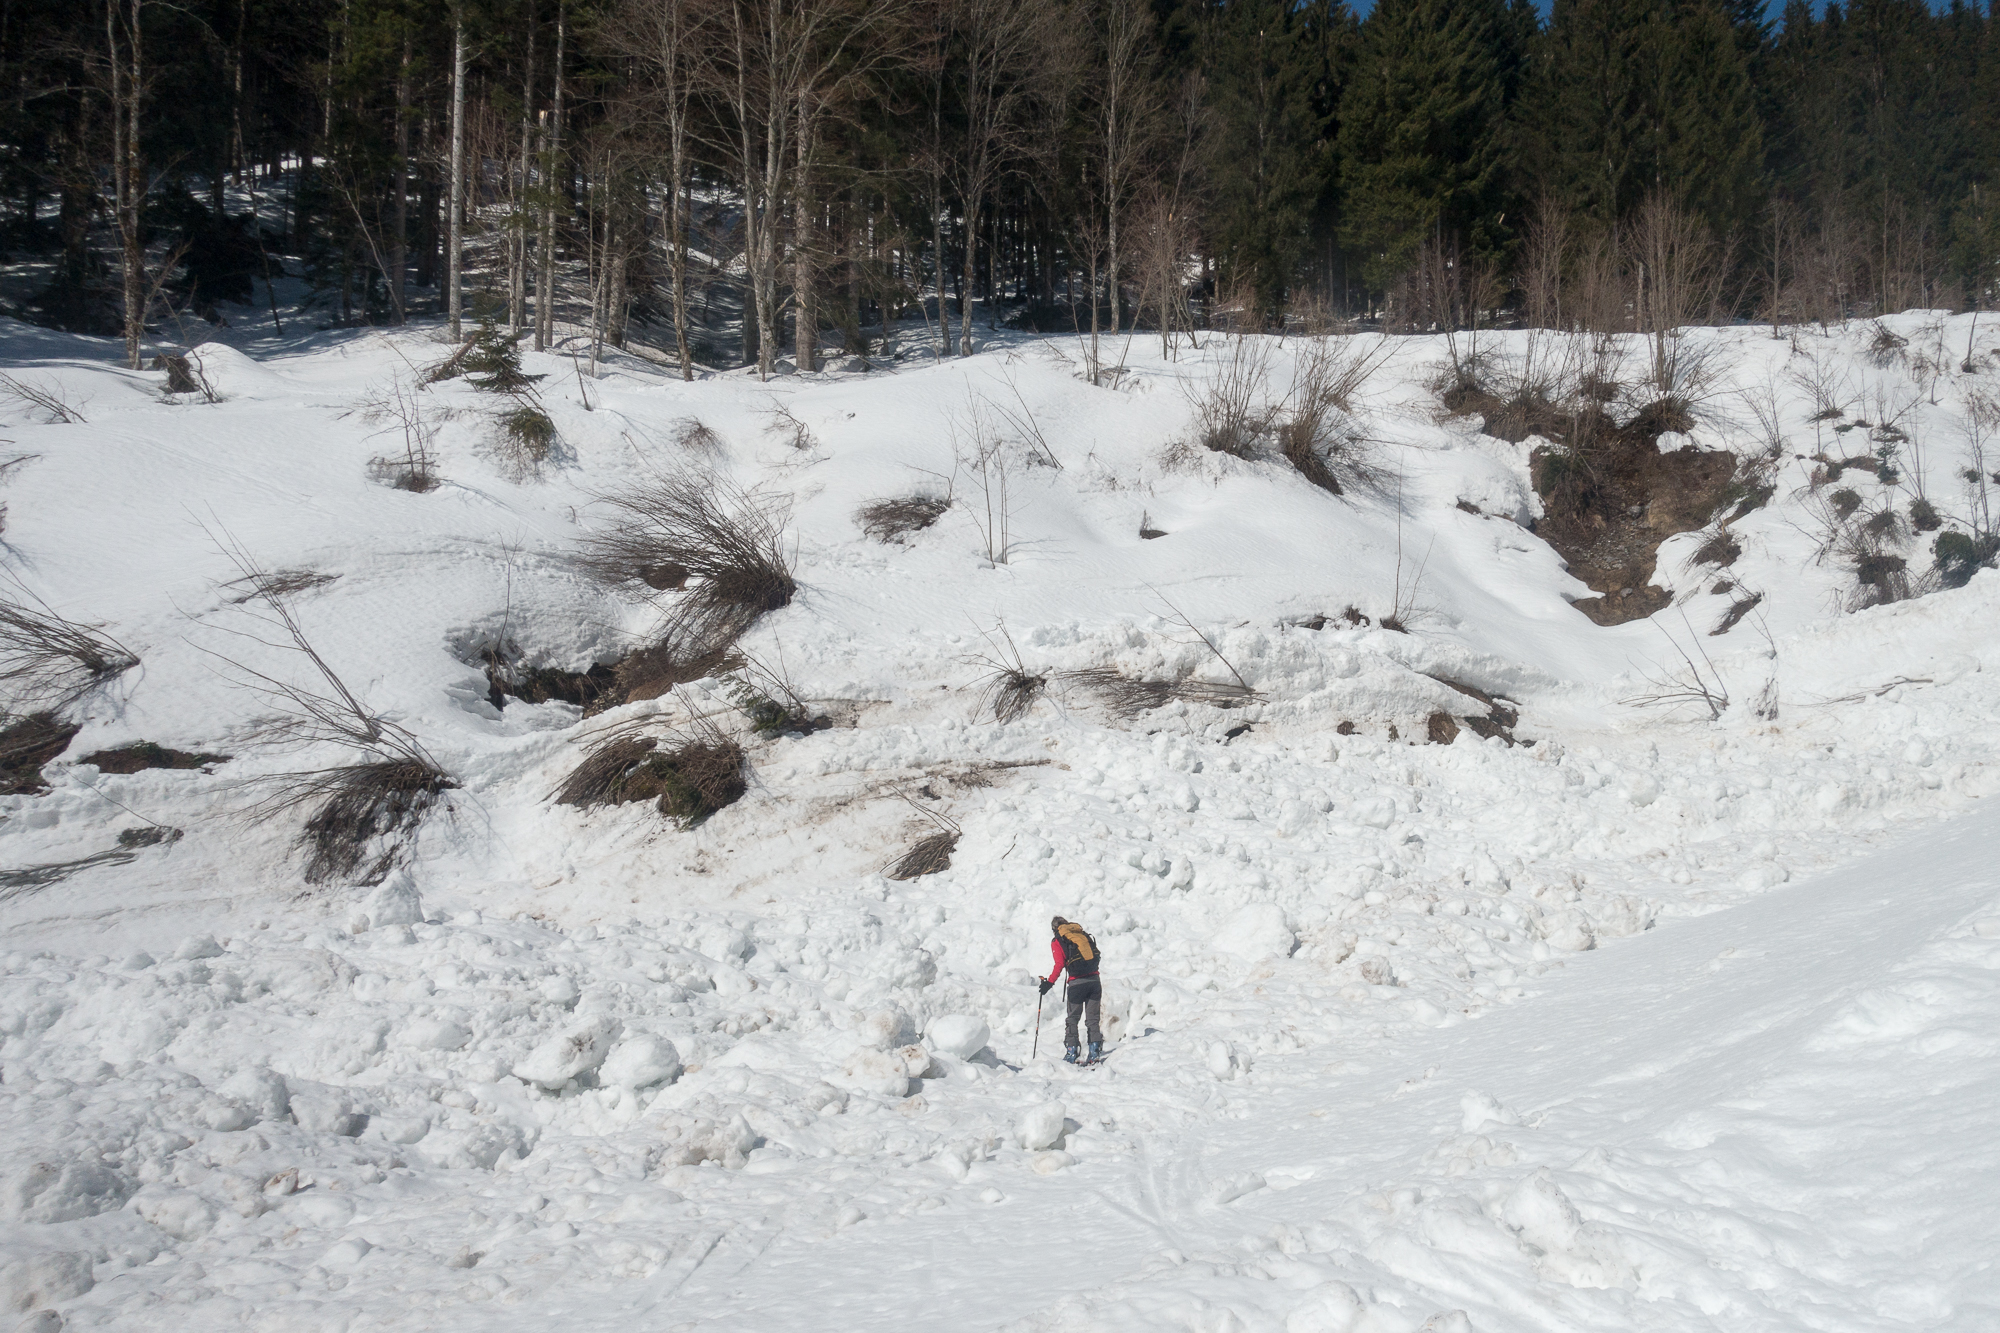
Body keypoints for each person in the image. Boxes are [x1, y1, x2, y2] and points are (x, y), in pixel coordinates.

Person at [1039, 915, 1103, 1064]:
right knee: (1092, 1019)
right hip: (1094, 981)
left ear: (1054, 928)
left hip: (1076, 984)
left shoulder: (1058, 940)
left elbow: (1059, 964)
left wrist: (1049, 983)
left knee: (1072, 1019)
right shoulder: (1081, 935)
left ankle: (1072, 1052)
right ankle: (1094, 1051)